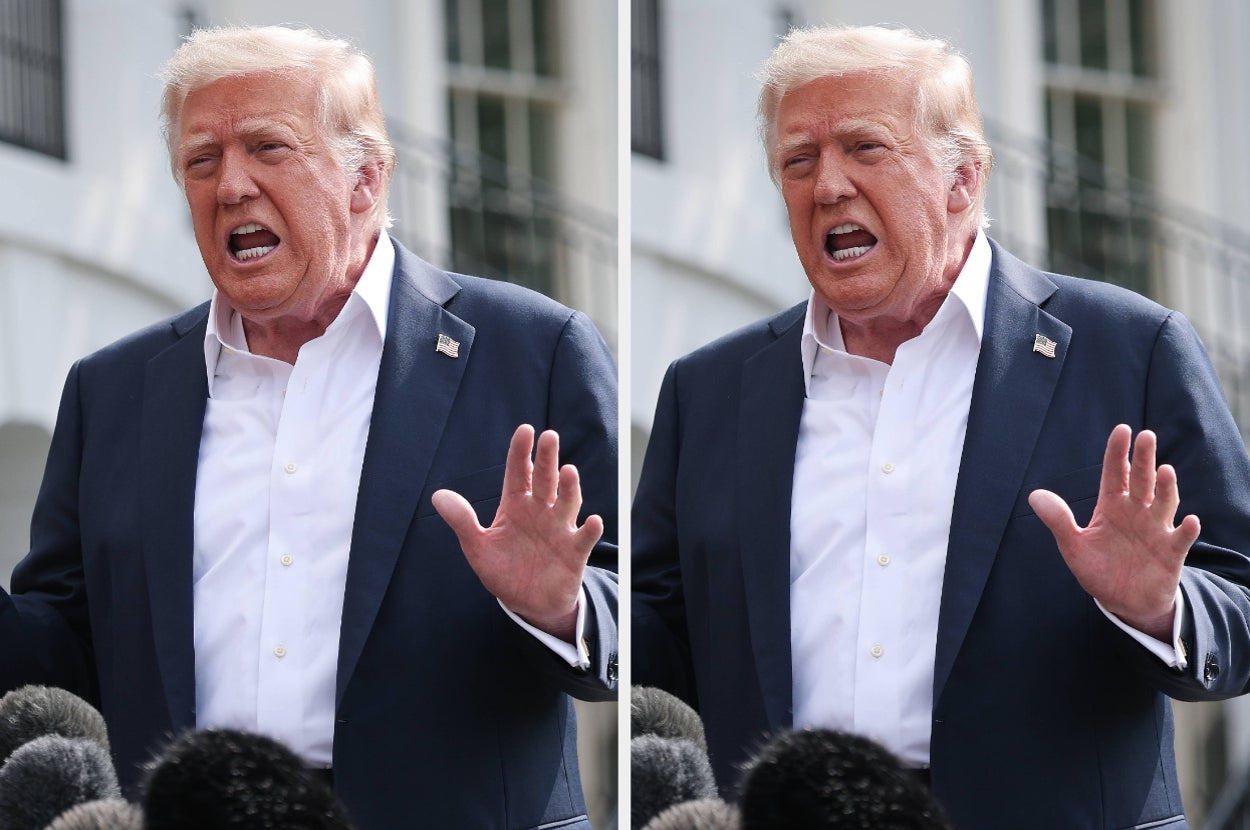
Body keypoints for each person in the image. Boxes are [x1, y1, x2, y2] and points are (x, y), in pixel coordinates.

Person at [631, 24, 1250, 830]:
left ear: (962, 179)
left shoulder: (1130, 351)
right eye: (798, 160)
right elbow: (659, 640)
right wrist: (568, 605)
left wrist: (1161, 609)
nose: (827, 187)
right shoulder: (707, 390)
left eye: (865, 148)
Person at [0, 25, 617, 830]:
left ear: (366, 178)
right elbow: (65, 651)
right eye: (201, 160)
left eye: (268, 147)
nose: (230, 186)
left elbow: (644, 610)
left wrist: (559, 608)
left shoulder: (535, 349)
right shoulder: (112, 390)